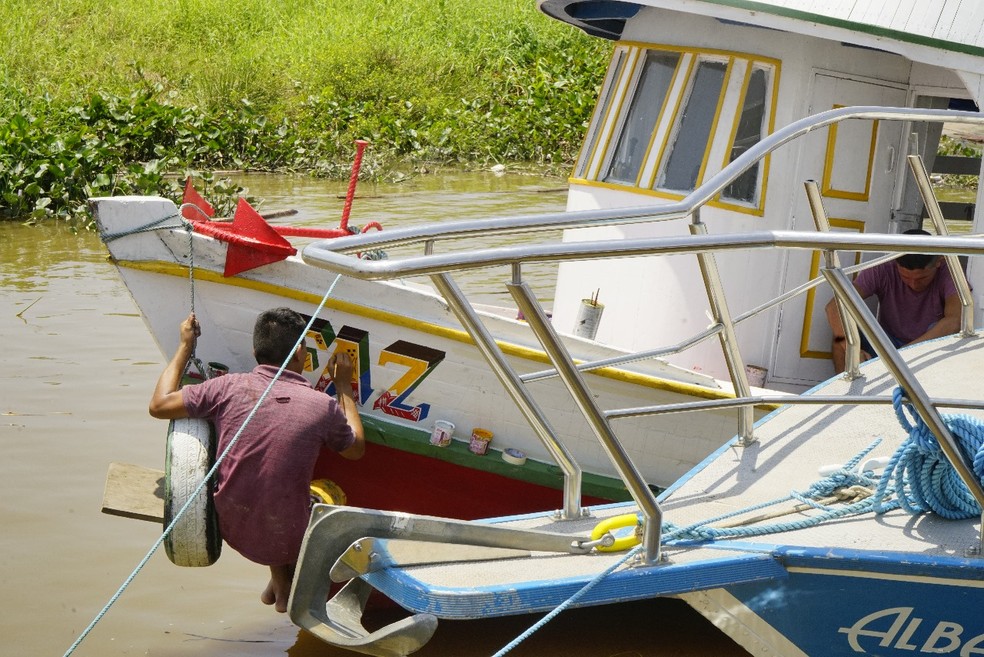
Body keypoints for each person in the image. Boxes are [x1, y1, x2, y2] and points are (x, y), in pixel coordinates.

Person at [149, 307, 365, 613]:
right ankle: (290, 591)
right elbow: (355, 449)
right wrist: (343, 387)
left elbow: (158, 405)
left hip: (234, 525)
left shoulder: (227, 387)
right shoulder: (321, 405)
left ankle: (279, 588)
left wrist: (185, 345)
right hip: (287, 535)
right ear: (301, 351)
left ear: (254, 351)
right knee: (325, 494)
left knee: (267, 478)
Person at [825, 229, 961, 373]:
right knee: (842, 334)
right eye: (906, 277)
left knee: (941, 328)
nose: (913, 284)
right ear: (895, 264)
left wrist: (904, 353)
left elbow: (954, 321)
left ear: (939, 261)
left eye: (922, 278)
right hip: (886, 344)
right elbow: (834, 307)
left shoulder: (950, 273)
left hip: (926, 347)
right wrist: (852, 348)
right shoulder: (883, 268)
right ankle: (845, 393)